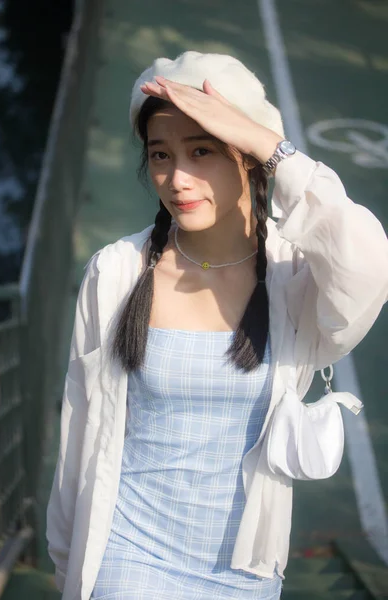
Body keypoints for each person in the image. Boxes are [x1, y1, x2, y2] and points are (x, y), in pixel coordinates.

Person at [46, 51, 388, 600]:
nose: (177, 178)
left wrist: (275, 151)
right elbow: (80, 429)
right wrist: (68, 565)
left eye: (202, 150)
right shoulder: (117, 271)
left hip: (247, 571)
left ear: (247, 157)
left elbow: (367, 265)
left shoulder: (293, 276)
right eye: (161, 154)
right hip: (126, 555)